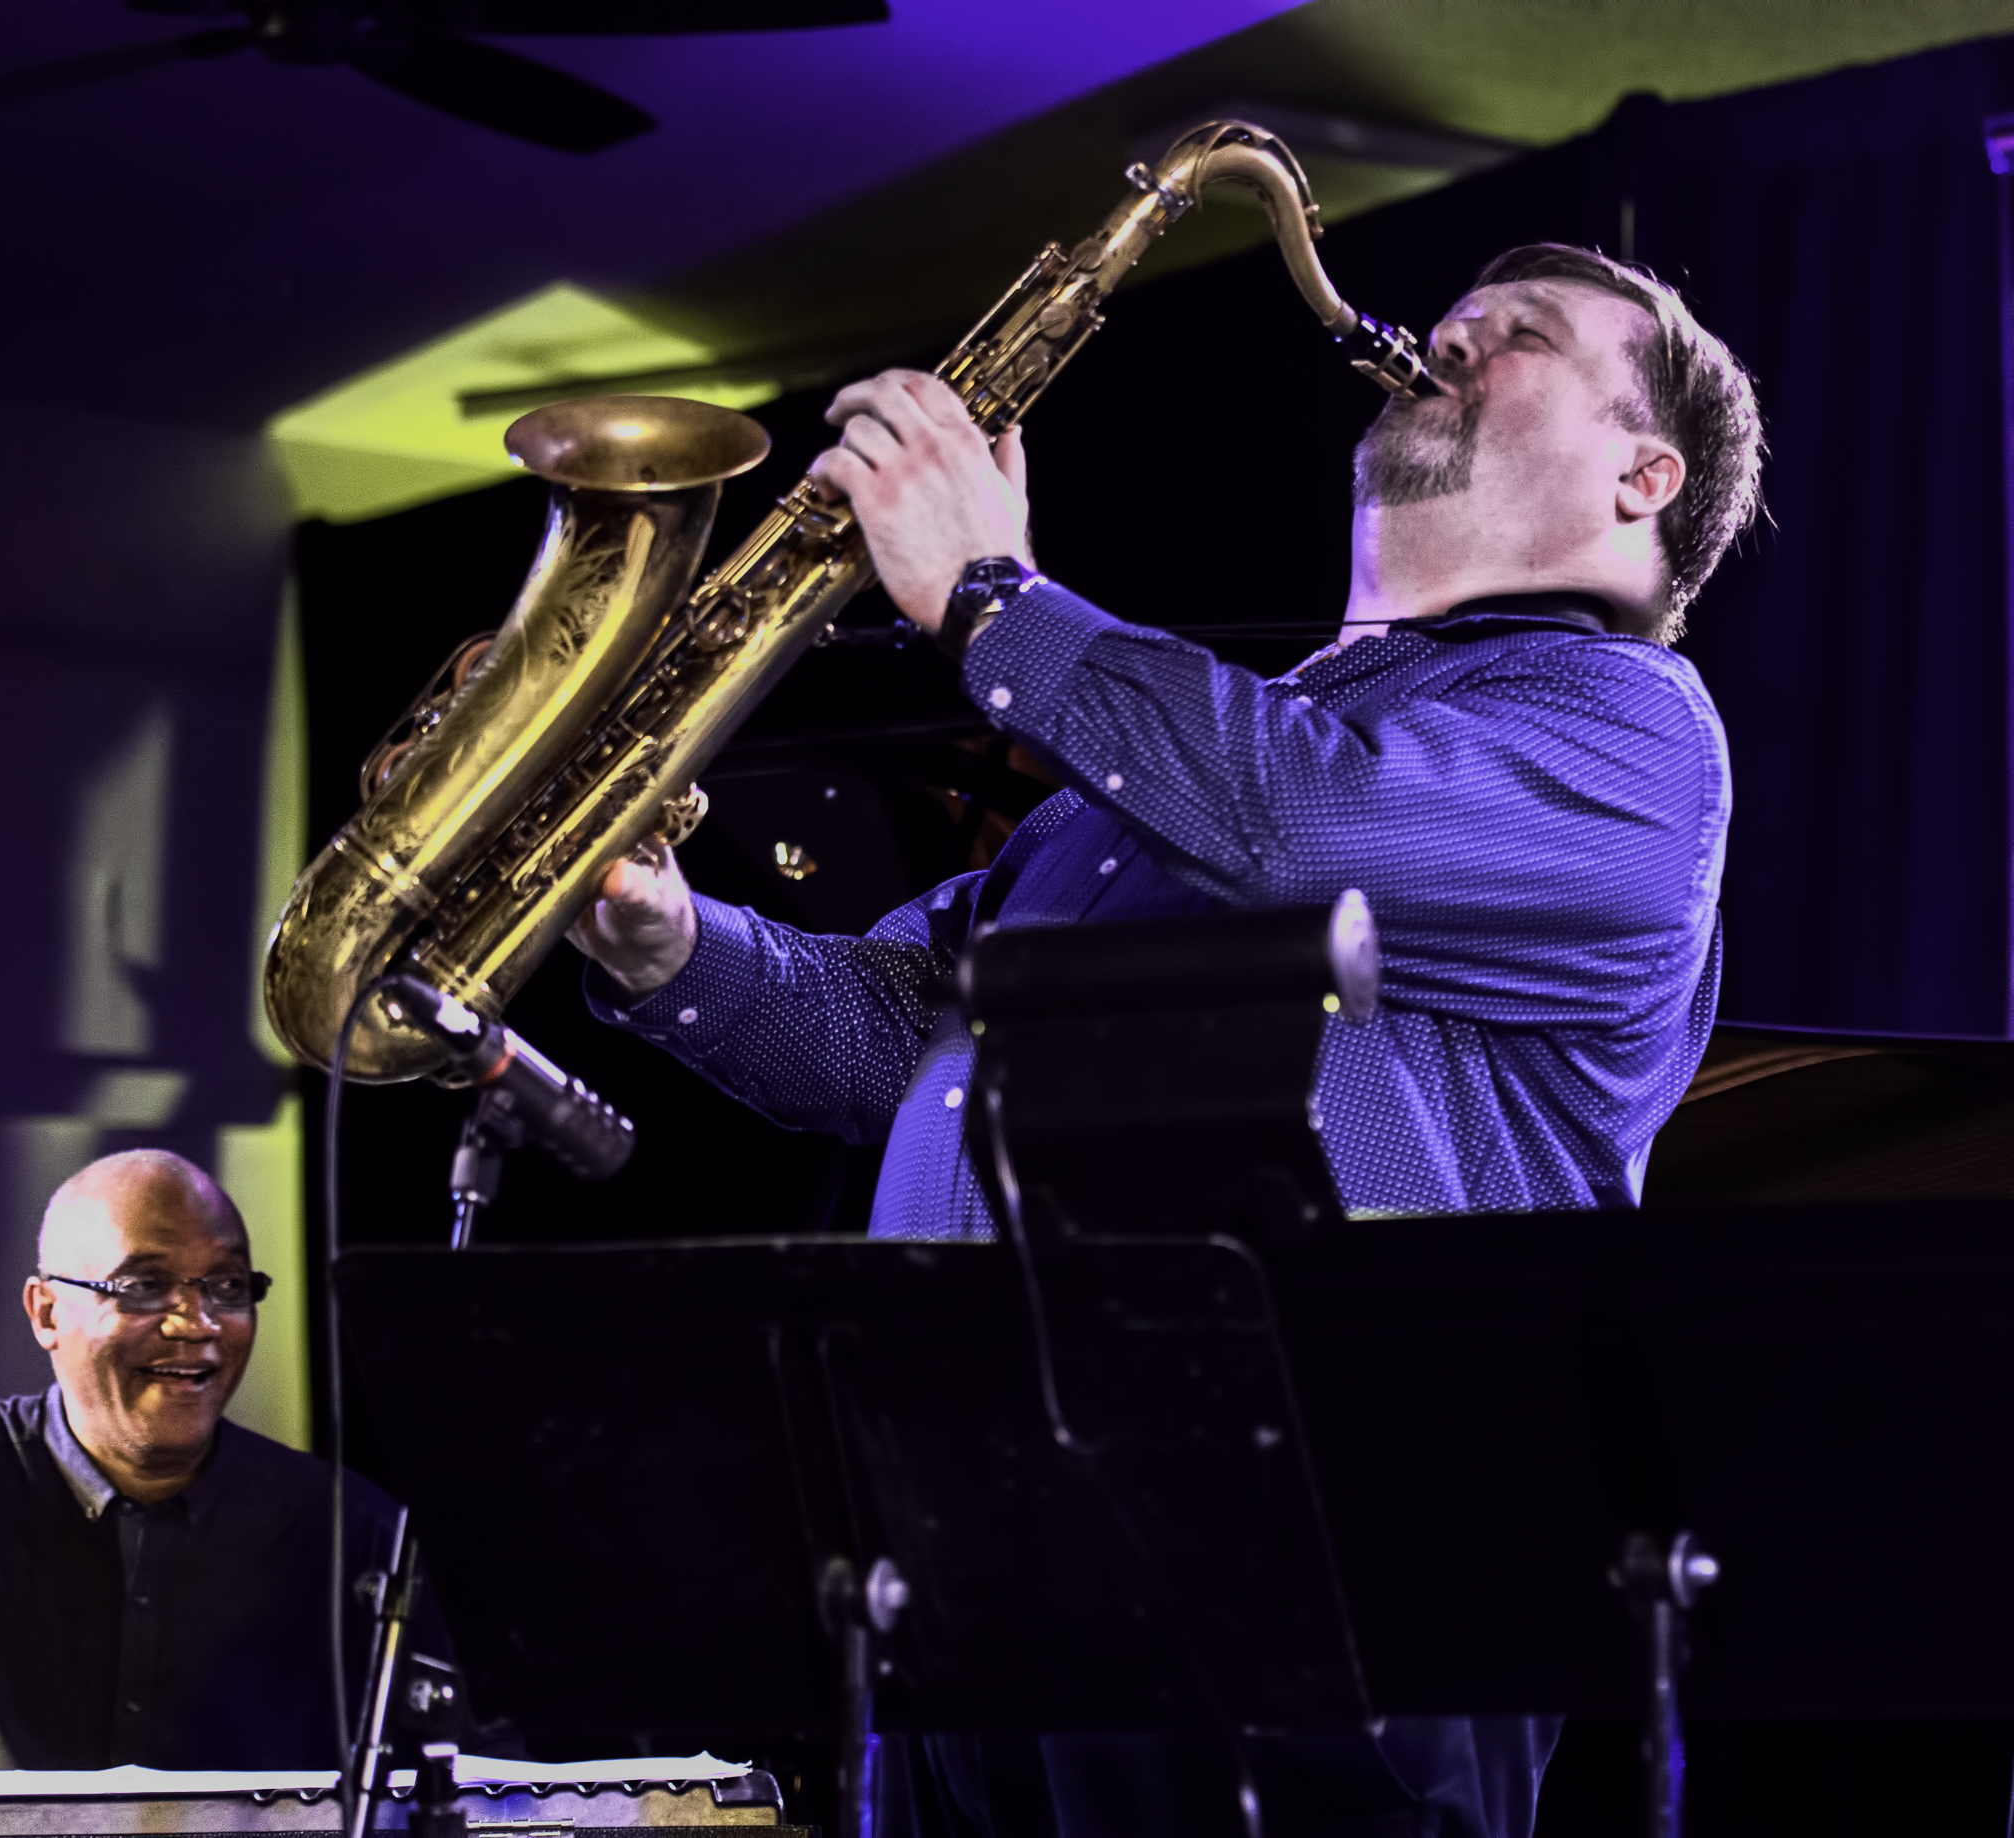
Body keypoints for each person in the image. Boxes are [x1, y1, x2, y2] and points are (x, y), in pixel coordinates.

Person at [568, 245, 1765, 1837]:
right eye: (1456, 318)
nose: (1447, 337)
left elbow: (1303, 820)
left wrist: (994, 599)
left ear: (1645, 475)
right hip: (973, 1543)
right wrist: (669, 937)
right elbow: (899, 1033)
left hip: (1326, 1570)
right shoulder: (1157, 777)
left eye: (1520, 335)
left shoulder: (1629, 726)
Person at [0, 1149, 454, 1773]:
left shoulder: (347, 1527)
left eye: (228, 1288)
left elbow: (459, 1773)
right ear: (46, 1312)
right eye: (143, 1286)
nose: (195, 1323)